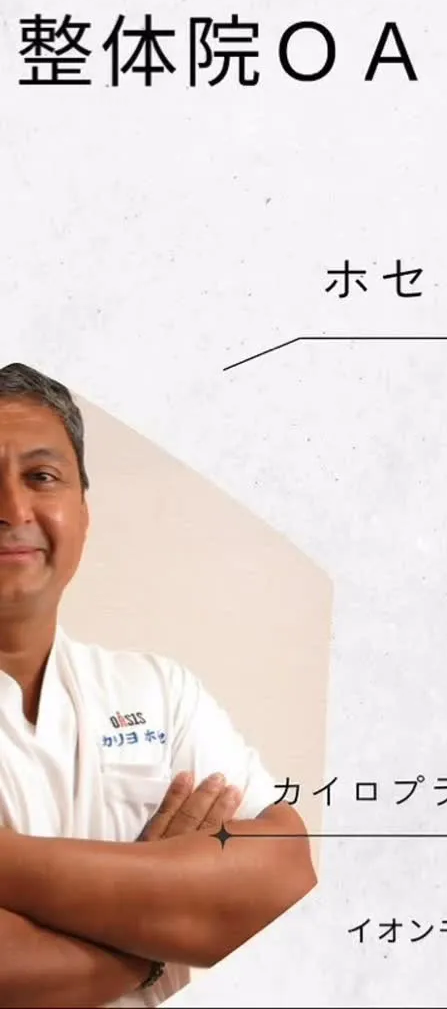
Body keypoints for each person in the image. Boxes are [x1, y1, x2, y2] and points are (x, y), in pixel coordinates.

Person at [0, 362, 316, 1009]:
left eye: (41, 477)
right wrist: (163, 928)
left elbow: (285, 880)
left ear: (83, 512)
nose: (12, 510)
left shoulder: (158, 692)